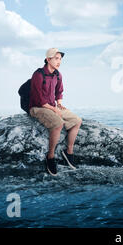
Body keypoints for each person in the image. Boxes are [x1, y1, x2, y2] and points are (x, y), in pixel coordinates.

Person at [29, 48, 82, 176]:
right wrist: (54, 110)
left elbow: (59, 91)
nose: (59, 62)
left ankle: (68, 152)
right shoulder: (38, 75)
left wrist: (59, 104)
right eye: (56, 58)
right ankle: (50, 156)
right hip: (37, 107)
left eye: (60, 59)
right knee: (58, 123)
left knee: (77, 121)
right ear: (48, 59)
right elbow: (39, 99)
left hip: (52, 106)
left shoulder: (58, 74)